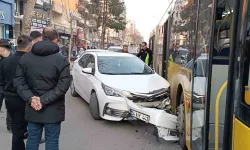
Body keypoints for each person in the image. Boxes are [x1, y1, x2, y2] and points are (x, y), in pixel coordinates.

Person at [13, 27, 71, 150]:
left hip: (33, 106)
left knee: (33, 139)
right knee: (52, 141)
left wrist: (31, 98)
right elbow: (63, 85)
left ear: (42, 38)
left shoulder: (26, 58)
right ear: (55, 40)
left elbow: (18, 81)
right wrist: (43, 100)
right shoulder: (61, 60)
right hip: (53, 108)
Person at [1, 35, 32, 150]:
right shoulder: (29, 61)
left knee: (17, 127)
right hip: (23, 100)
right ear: (28, 48)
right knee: (19, 132)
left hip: (9, 99)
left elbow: (1, 83)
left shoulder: (6, 61)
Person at [0, 39, 12, 132]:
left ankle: (10, 125)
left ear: (3, 49)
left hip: (9, 86)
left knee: (10, 107)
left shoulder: (13, 59)